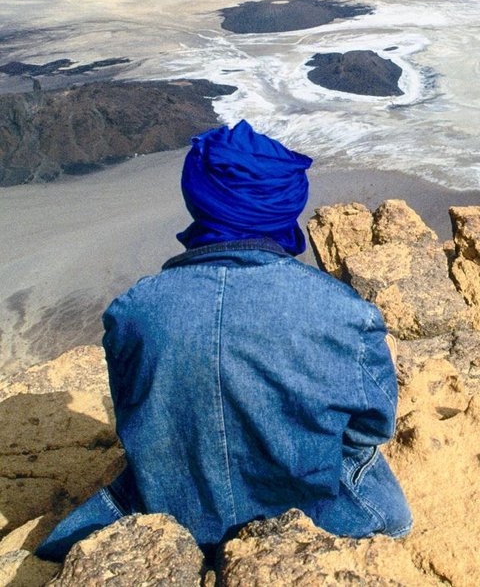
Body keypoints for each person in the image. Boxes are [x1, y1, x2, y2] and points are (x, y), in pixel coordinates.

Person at [37, 119, 411, 562]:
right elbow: (373, 427)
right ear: (287, 203)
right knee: (392, 513)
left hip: (174, 518)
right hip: (316, 516)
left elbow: (134, 418)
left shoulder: (133, 311)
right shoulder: (345, 313)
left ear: (198, 197)